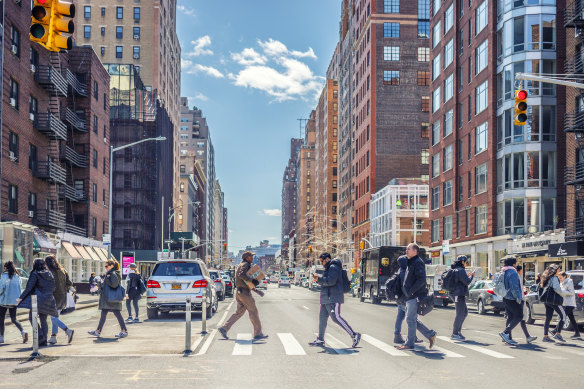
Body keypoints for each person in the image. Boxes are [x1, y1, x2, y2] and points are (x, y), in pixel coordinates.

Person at [308, 253, 361, 348]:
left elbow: (331, 281)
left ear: (327, 259)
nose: (322, 263)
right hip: (326, 298)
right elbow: (327, 281)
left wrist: (318, 279)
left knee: (336, 317)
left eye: (322, 260)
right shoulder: (328, 268)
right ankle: (320, 339)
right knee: (322, 319)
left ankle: (354, 334)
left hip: (333, 297)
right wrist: (319, 279)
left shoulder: (333, 267)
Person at [218, 251, 267, 340]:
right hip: (244, 293)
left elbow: (245, 281)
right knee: (253, 312)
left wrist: (256, 291)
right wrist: (252, 280)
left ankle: (224, 328)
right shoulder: (245, 265)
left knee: (239, 312)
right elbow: (242, 276)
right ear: (247, 257)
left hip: (240, 292)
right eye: (251, 256)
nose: (252, 258)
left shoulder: (242, 265)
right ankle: (258, 333)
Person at [397, 243, 437, 351]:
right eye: (406, 249)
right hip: (410, 296)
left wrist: (410, 292)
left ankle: (409, 344)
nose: (406, 250)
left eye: (408, 249)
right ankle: (430, 334)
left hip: (414, 296)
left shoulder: (417, 262)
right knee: (412, 319)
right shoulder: (411, 262)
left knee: (410, 319)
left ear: (415, 251)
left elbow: (421, 280)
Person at [16, 259, 58, 347]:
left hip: (37, 300)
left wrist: (20, 298)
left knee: (32, 318)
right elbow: (53, 288)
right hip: (48, 300)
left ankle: (40, 336)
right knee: (43, 320)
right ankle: (44, 341)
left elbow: (29, 288)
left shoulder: (35, 273)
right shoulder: (49, 274)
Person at [88, 259, 128, 338]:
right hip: (109, 299)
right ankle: (98, 331)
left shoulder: (112, 273)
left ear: (111, 266)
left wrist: (106, 280)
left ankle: (124, 331)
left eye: (107, 266)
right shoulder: (111, 273)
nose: (105, 268)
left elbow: (115, 284)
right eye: (105, 266)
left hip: (111, 298)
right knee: (104, 314)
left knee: (116, 314)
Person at [45, 256, 74, 345]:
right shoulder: (63, 270)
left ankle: (67, 330)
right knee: (55, 317)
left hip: (54, 298)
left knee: (53, 318)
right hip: (62, 298)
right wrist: (63, 289)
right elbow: (69, 284)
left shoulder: (49, 272)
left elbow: (50, 287)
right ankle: (53, 337)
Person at [393, 256, 422, 345]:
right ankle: (414, 337)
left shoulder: (399, 271)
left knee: (400, 317)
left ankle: (397, 335)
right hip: (405, 298)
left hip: (399, 298)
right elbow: (406, 286)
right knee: (413, 318)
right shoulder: (405, 272)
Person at [0, 261, 28, 344]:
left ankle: (1, 337)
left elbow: (1, 289)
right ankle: (23, 332)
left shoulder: (4, 276)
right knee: (14, 319)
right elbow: (20, 288)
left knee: (1, 319)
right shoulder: (17, 276)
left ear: (6, 268)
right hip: (14, 301)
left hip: (4, 301)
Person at [540, 264, 568, 343]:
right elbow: (556, 289)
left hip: (547, 301)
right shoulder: (554, 278)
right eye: (558, 270)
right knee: (563, 316)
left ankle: (545, 336)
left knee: (548, 318)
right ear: (554, 270)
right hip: (554, 301)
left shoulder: (546, 277)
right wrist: (563, 294)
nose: (559, 272)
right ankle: (558, 333)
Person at [499, 256, 523, 345]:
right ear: (513, 264)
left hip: (505, 296)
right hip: (511, 297)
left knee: (510, 316)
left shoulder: (503, 271)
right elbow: (514, 287)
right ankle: (505, 333)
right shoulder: (512, 272)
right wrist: (518, 298)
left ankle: (508, 337)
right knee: (519, 315)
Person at [450, 255, 475, 340]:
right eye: (466, 262)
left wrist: (467, 276)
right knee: (460, 313)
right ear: (463, 262)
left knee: (464, 312)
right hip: (458, 294)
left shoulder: (457, 270)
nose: (466, 263)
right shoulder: (460, 270)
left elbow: (462, 280)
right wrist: (472, 276)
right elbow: (467, 282)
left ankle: (458, 331)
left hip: (458, 294)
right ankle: (455, 333)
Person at [516, 265, 537, 343]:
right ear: (520, 270)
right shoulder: (518, 277)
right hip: (519, 300)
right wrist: (521, 298)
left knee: (520, 319)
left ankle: (527, 336)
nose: (523, 271)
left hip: (519, 299)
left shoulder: (518, 276)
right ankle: (506, 333)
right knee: (519, 318)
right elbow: (518, 289)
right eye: (522, 270)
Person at [558, 271, 581, 340]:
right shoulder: (562, 282)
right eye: (559, 278)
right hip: (565, 303)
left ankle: (556, 330)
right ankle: (577, 333)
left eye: (560, 277)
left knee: (563, 316)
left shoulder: (569, 282)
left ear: (564, 276)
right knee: (571, 318)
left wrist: (561, 291)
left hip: (570, 303)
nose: (559, 279)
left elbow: (571, 292)